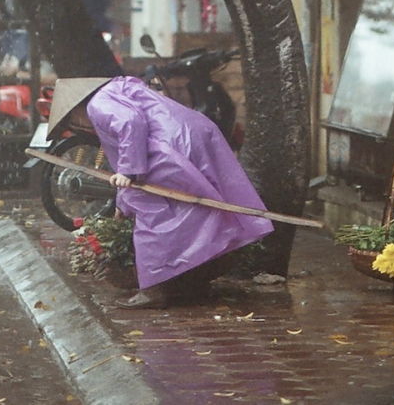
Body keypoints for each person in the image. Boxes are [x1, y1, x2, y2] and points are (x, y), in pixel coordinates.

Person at [47, 75, 274, 308]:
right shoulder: (115, 90)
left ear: (75, 111)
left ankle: (154, 289)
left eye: (71, 122)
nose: (77, 127)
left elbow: (130, 124)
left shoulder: (97, 104)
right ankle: (189, 280)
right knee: (196, 209)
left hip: (172, 144)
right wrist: (121, 204)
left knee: (150, 209)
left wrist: (127, 172)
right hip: (193, 132)